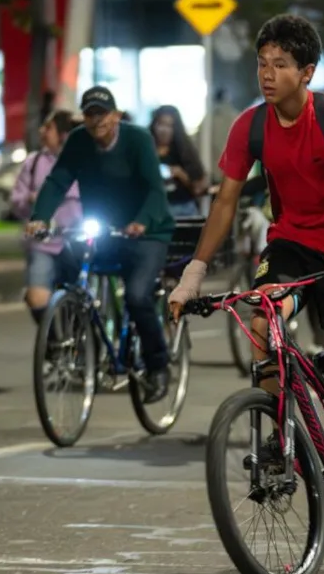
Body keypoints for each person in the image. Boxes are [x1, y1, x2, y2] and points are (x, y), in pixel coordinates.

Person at [166, 14, 324, 522]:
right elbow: (225, 203)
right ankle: (279, 438)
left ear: (307, 72)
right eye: (262, 63)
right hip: (290, 246)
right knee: (262, 323)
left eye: (280, 64)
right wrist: (192, 276)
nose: (267, 73)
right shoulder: (251, 126)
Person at [25, 87, 175, 403]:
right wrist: (40, 218)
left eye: (103, 114)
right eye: (90, 114)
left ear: (116, 116)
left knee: (137, 296)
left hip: (148, 232)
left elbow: (154, 189)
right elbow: (58, 180)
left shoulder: (137, 139)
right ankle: (85, 341)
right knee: (69, 264)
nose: (97, 121)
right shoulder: (79, 140)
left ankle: (158, 365)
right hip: (105, 230)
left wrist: (141, 222)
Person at [11, 110, 81, 324]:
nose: (42, 131)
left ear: (63, 134)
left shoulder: (82, 160)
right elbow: (16, 201)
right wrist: (30, 201)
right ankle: (52, 338)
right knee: (36, 298)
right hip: (43, 243)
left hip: (77, 242)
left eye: (48, 127)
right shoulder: (33, 162)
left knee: (82, 300)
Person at [150, 105, 208, 218]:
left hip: (183, 209)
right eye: (161, 124)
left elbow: (200, 189)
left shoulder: (185, 151)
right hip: (154, 210)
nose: (164, 130)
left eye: (169, 126)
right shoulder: (146, 151)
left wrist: (180, 174)